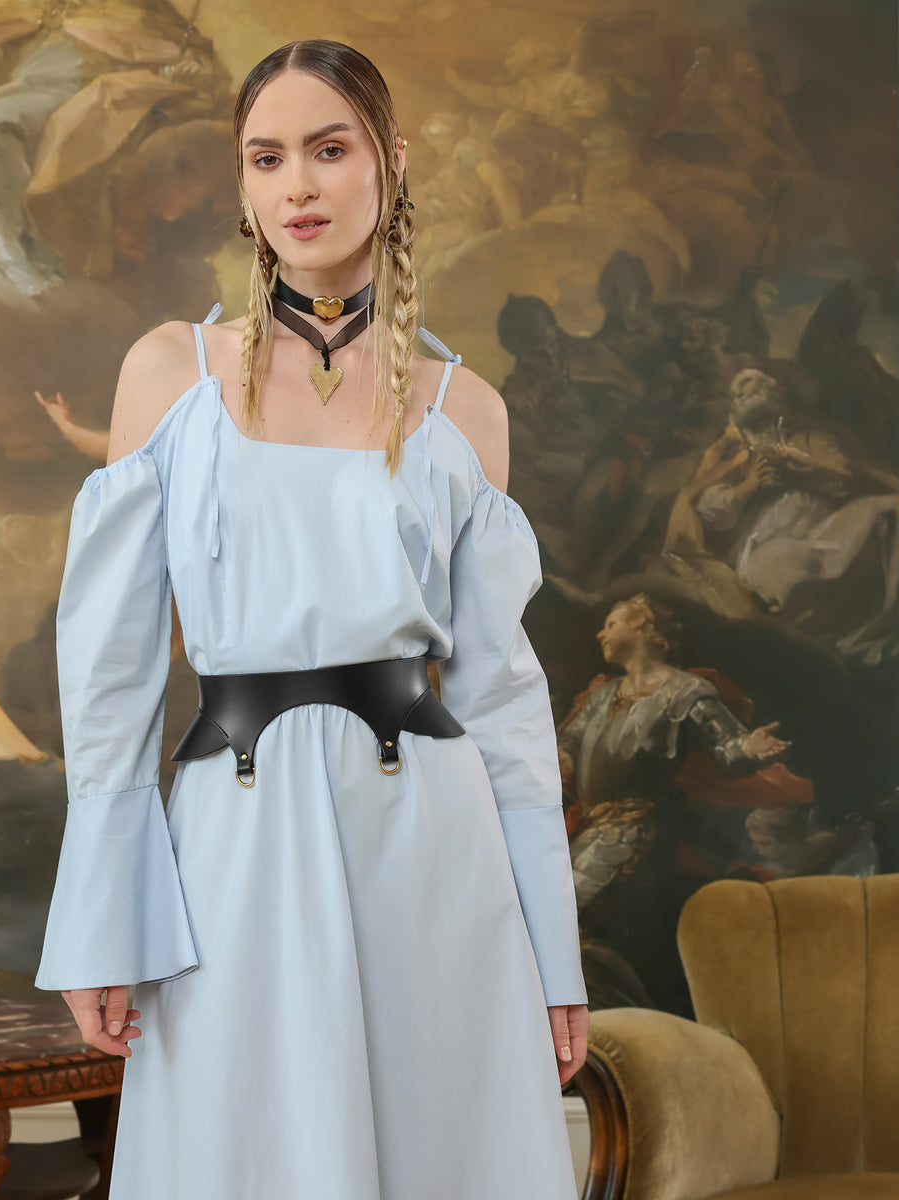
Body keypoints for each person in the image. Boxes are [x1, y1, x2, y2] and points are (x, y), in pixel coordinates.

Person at [34, 39, 589, 1199]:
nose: (299, 185)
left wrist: (552, 952)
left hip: (433, 847)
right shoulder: (170, 380)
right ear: (242, 184)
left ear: (388, 162)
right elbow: (111, 682)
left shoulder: (461, 411)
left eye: (329, 150)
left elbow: (503, 704)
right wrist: (101, 921)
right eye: (268, 156)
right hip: (233, 841)